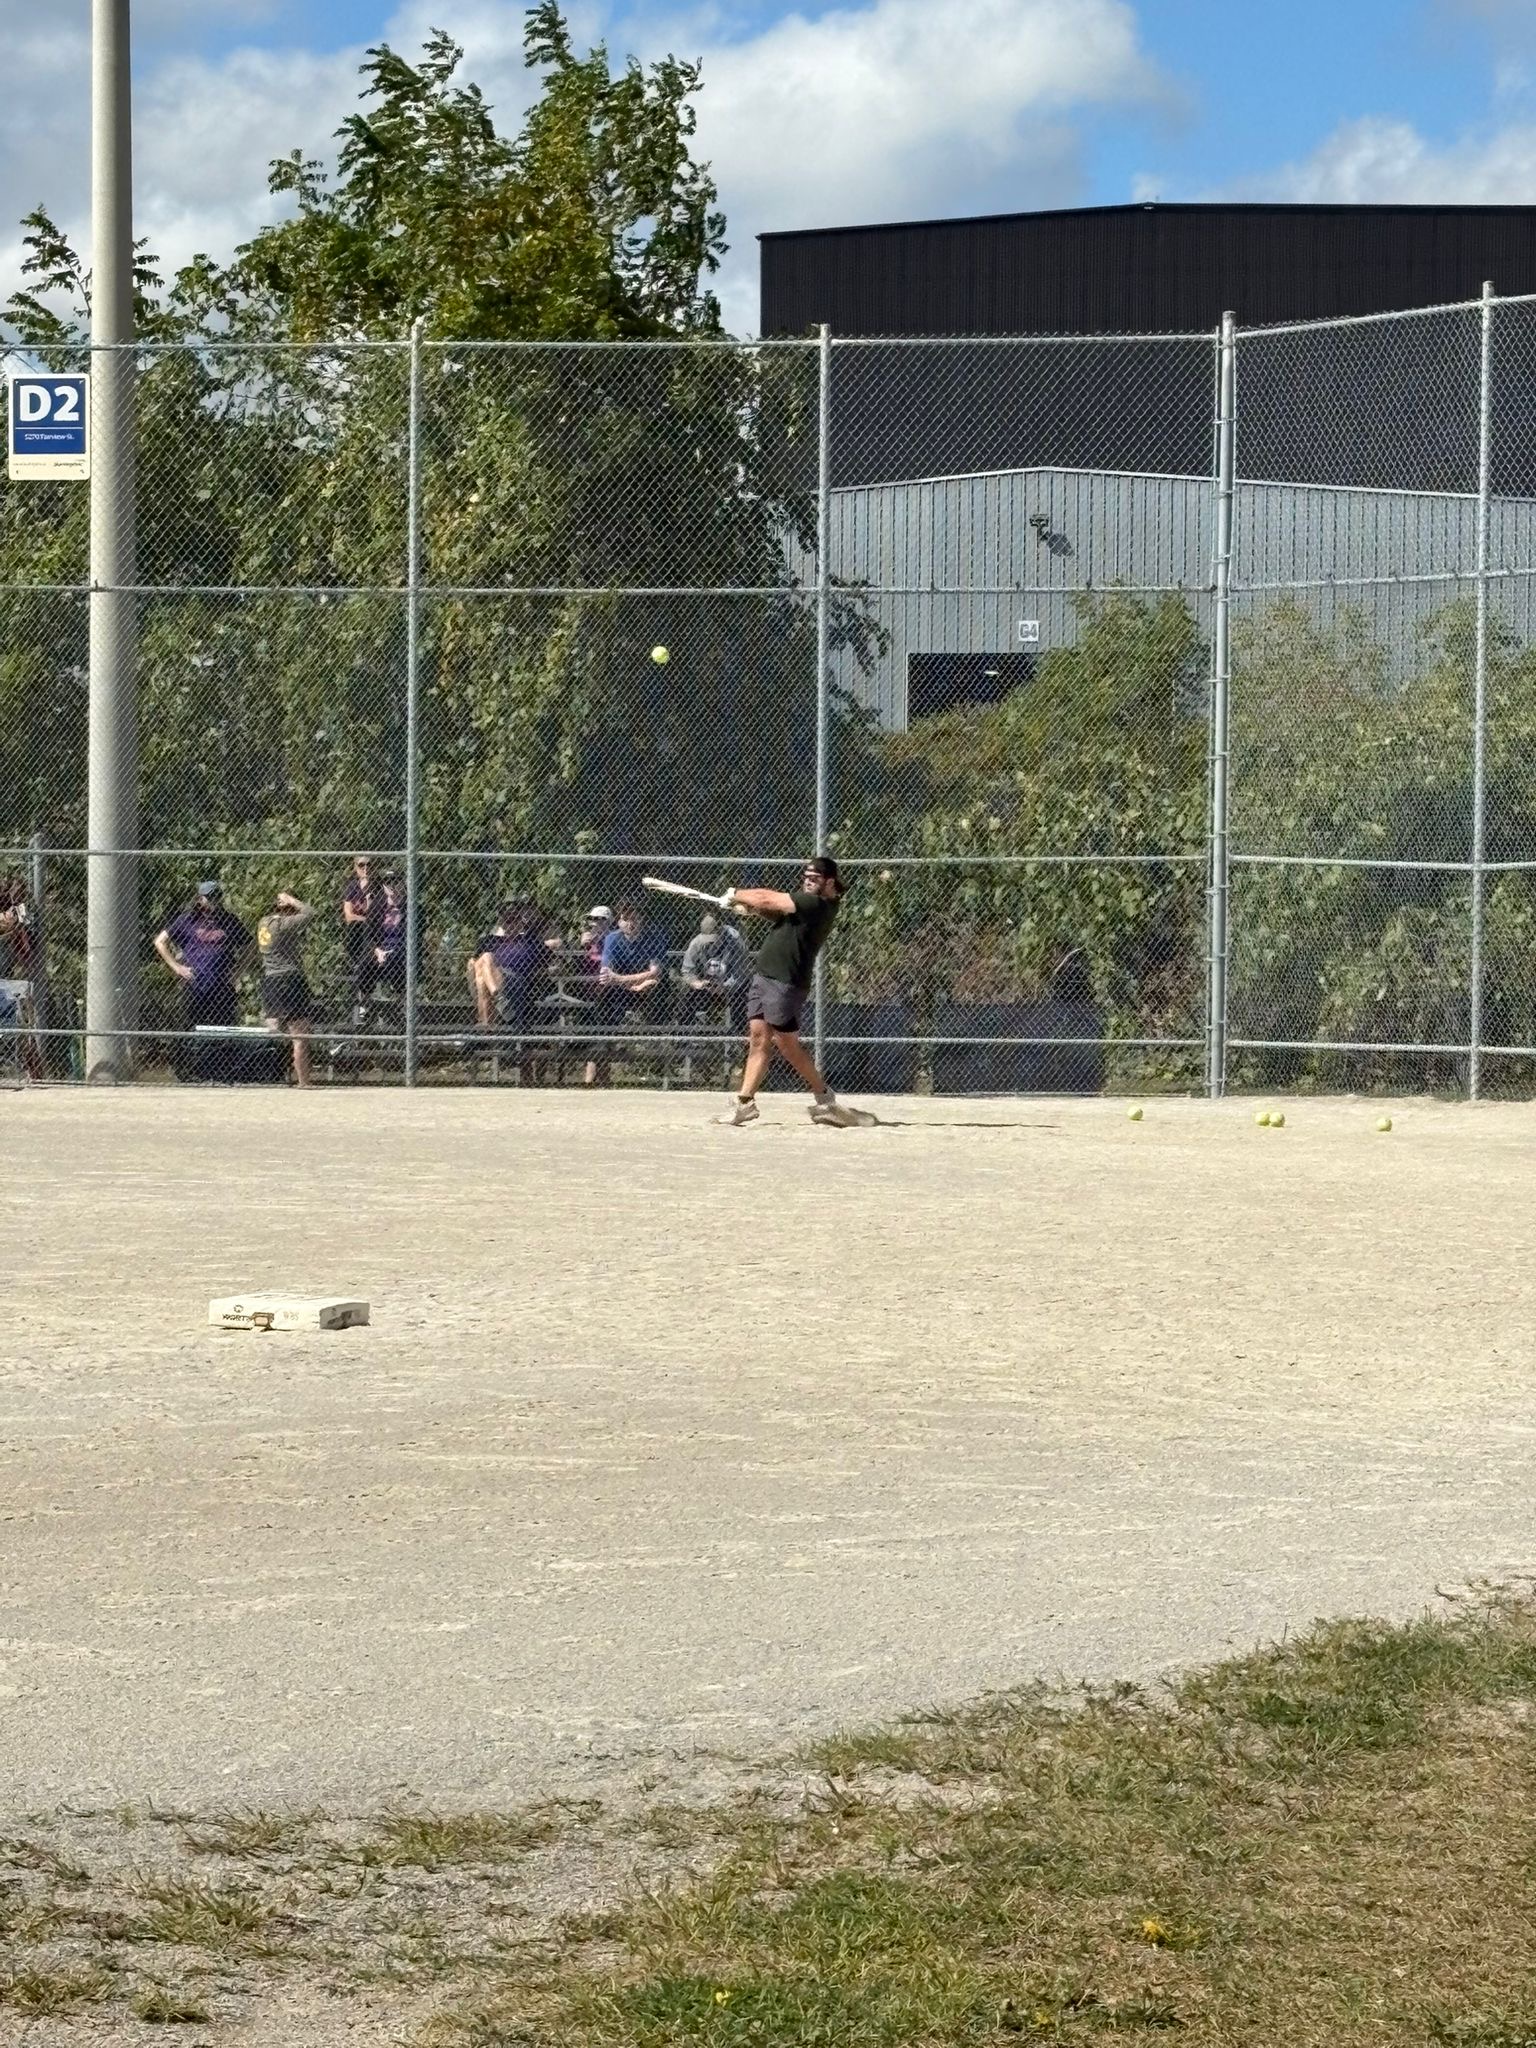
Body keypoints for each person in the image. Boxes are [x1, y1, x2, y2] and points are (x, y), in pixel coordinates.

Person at [725, 855, 869, 1127]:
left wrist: (736, 894)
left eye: (814, 879)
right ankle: (745, 1103)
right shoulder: (804, 903)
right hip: (765, 977)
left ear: (830, 882)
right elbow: (772, 911)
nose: (808, 882)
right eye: (806, 877)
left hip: (785, 983)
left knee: (787, 1045)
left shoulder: (817, 903)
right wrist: (748, 907)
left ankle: (825, 1099)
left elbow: (768, 899)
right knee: (758, 1039)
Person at [154, 880, 253, 1081]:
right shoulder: (187, 920)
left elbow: (251, 946)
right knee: (190, 1027)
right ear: (200, 899)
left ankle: (221, 1073)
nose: (213, 901)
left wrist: (237, 972)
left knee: (223, 1028)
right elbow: (160, 941)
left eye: (217, 896)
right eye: (209, 897)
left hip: (221, 986)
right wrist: (177, 967)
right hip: (196, 985)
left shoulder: (229, 921)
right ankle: (187, 1073)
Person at [587, 900, 667, 1086]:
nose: (630, 923)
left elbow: (655, 972)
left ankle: (655, 1040)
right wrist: (633, 983)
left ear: (641, 919)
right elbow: (606, 974)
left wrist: (622, 980)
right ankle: (606, 1040)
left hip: (646, 991)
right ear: (619, 921)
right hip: (622, 991)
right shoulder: (612, 939)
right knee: (604, 994)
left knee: (654, 985)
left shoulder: (654, 937)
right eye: (625, 918)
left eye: (634, 918)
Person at [256, 890, 316, 1087]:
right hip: (289, 980)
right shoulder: (283, 924)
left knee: (273, 1031)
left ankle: (267, 1076)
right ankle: (303, 1082)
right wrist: (292, 900)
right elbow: (309, 913)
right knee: (299, 1036)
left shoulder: (263, 922)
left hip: (271, 981)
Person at [680, 910, 751, 1034]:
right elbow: (686, 971)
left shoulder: (735, 943)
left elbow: (741, 974)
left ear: (721, 933)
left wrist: (724, 987)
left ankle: (736, 1040)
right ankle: (684, 1039)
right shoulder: (696, 942)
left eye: (713, 939)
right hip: (706, 986)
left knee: (741, 999)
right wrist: (697, 983)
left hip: (731, 987)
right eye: (707, 939)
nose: (709, 943)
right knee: (687, 999)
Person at [341, 855, 382, 1022]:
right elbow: (348, 916)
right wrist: (366, 918)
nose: (366, 868)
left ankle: (366, 1002)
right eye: (361, 865)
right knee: (362, 927)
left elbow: (379, 915)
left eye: (369, 865)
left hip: (375, 935)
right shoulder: (352, 887)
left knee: (368, 929)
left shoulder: (379, 888)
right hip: (358, 935)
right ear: (355, 867)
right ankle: (364, 1002)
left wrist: (368, 910)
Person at [372, 871, 408, 1000]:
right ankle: (366, 1006)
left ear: (402, 883)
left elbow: (414, 937)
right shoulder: (377, 906)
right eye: (388, 882)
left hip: (402, 948)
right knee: (365, 964)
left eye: (396, 881)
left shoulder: (409, 906)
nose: (392, 885)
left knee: (394, 959)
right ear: (383, 885)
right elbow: (369, 934)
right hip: (381, 948)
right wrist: (377, 950)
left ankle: (399, 1001)